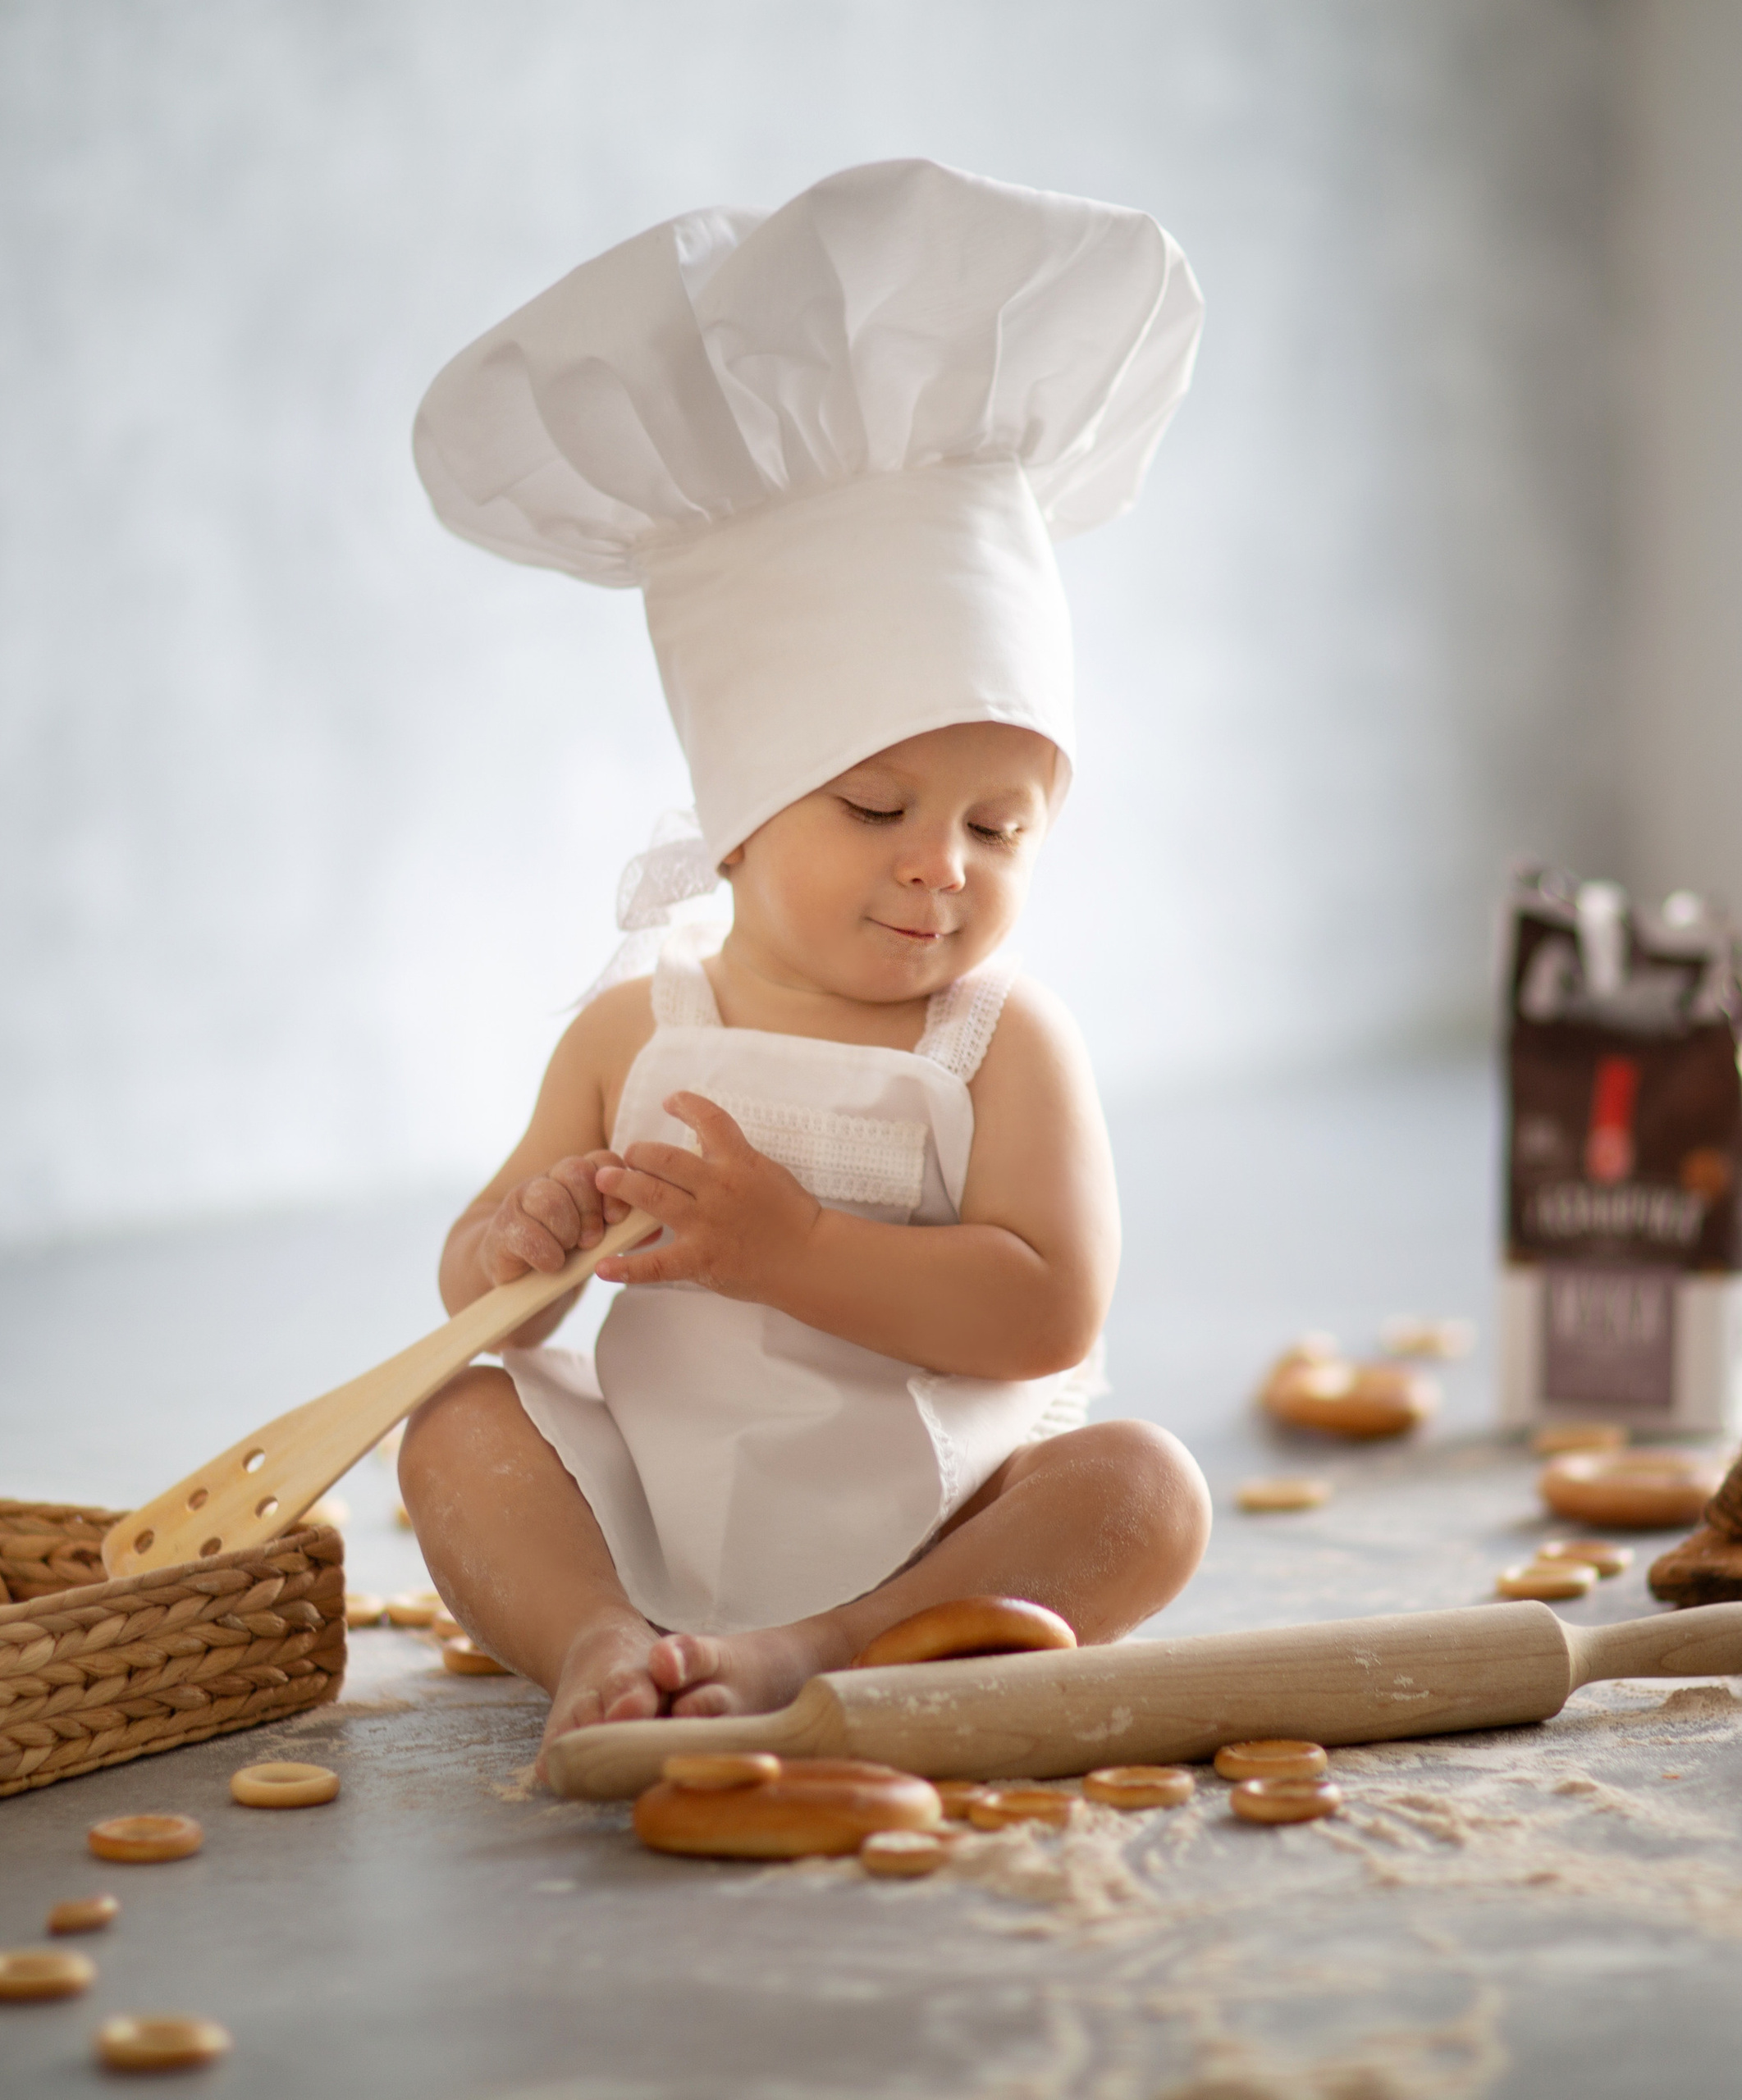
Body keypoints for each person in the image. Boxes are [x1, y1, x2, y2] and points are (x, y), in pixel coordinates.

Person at [395, 161, 1212, 1767]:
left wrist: (796, 1249)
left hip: (947, 1515)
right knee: (456, 1419)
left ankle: (828, 1650)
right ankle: (596, 1634)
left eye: (1000, 826)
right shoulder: (630, 1034)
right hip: (655, 1493)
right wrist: (514, 1242)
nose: (942, 864)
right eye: (877, 807)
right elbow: (489, 1309)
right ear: (738, 816)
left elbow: (1051, 1307)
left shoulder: (999, 1043)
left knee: (1146, 1491)